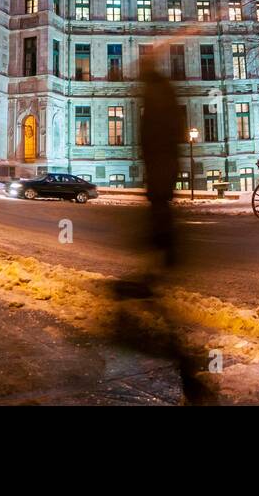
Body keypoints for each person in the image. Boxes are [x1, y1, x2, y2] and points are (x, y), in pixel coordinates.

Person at [109, 50, 216, 405]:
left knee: (156, 289)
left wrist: (156, 190)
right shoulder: (159, 93)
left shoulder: (155, 96)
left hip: (159, 201)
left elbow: (157, 147)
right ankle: (189, 370)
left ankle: (189, 370)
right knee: (158, 288)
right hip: (160, 198)